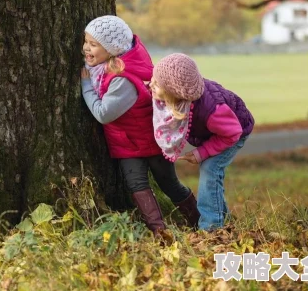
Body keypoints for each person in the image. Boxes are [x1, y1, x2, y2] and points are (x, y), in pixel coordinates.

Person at [80, 16, 199, 235]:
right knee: (137, 185)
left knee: (168, 184)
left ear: (112, 49)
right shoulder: (121, 63)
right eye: (86, 41)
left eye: (94, 44)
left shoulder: (122, 80)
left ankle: (198, 221)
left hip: (141, 141)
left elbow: (104, 113)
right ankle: (159, 232)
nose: (86, 48)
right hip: (131, 140)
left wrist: (86, 86)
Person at [150, 53, 254, 231]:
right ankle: (225, 220)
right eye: (153, 78)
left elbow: (232, 133)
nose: (151, 84)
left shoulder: (212, 110)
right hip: (215, 133)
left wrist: (201, 153)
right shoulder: (175, 99)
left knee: (210, 169)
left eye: (157, 84)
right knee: (210, 171)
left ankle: (211, 227)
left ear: (174, 93)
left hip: (232, 133)